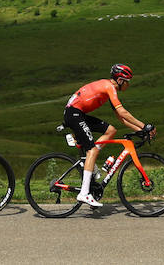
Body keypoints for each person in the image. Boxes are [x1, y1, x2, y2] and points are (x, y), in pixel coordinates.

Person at [63, 63, 153, 208]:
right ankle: (84, 193)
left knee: (111, 130)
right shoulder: (109, 87)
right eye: (127, 82)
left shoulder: (108, 88)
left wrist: (140, 131)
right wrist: (144, 126)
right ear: (120, 80)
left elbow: (121, 118)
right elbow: (123, 112)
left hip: (77, 113)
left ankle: (91, 164)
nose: (128, 85)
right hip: (74, 114)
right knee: (91, 150)